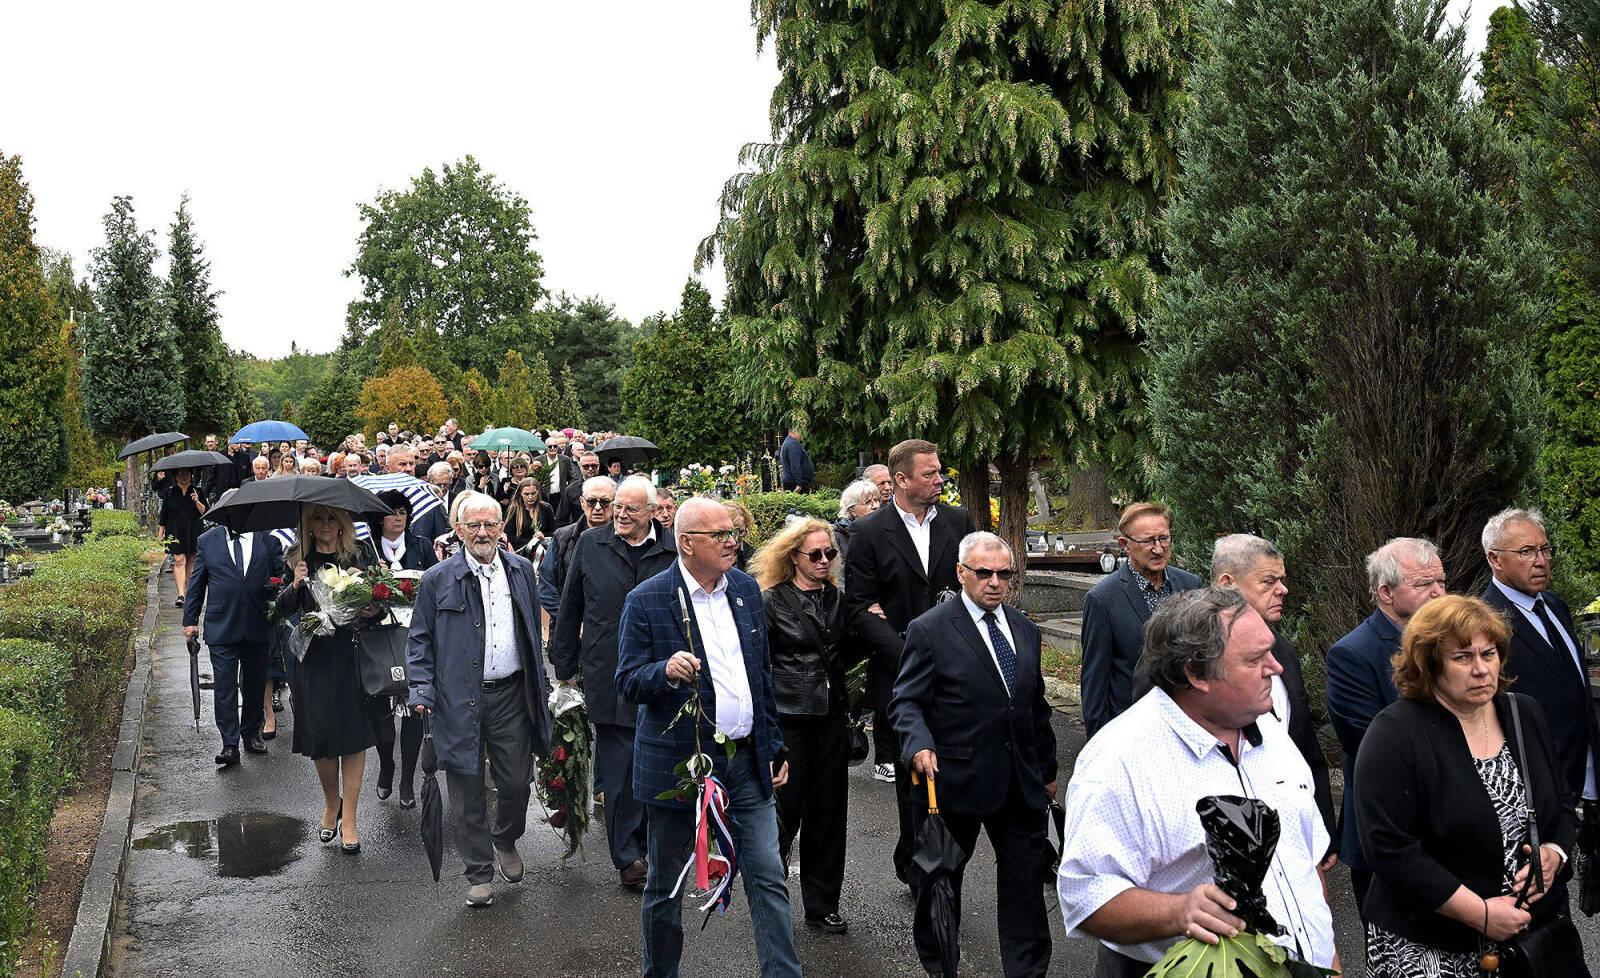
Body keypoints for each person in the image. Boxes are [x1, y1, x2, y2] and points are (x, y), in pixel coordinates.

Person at [1058, 587, 1339, 977]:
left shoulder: (1273, 734)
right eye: (1255, 658)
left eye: (1271, 652)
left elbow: (1304, 863)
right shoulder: (1120, 760)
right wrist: (1177, 912)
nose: (1276, 668)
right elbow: (1084, 895)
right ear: (1196, 672)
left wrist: (1329, 960)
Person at [616, 497, 799, 978]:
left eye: (731, 532)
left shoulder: (745, 588)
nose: (731, 541)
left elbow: (760, 676)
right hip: (682, 768)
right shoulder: (647, 599)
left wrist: (774, 744)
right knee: (666, 886)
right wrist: (663, 670)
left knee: (769, 876)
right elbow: (627, 681)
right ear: (686, 543)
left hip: (746, 762)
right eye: (718, 535)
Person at [1356, 595, 1586, 977]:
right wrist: (1480, 914)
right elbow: (1389, 848)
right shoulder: (1394, 733)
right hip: (1430, 947)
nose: (1481, 669)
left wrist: (1554, 852)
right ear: (1429, 665)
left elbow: (1562, 801)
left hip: (1527, 944)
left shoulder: (1524, 712)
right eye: (1462, 657)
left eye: (1489, 654)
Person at [893, 531, 1056, 975]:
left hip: (1019, 784)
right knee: (941, 883)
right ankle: (940, 966)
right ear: (961, 573)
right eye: (984, 573)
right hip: (954, 781)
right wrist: (918, 743)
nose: (995, 582)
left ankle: (1027, 971)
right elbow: (906, 701)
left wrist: (1047, 769)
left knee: (1025, 891)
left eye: (1004, 574)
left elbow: (1034, 706)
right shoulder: (930, 629)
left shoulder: (1025, 628)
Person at [406, 492, 554, 907]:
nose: (483, 532)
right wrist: (421, 689)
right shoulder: (437, 579)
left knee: (516, 782)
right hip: (457, 699)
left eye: (490, 524)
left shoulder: (521, 570)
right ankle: (478, 872)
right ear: (459, 530)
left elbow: (531, 630)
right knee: (466, 790)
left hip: (512, 694)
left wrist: (543, 683)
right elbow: (419, 640)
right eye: (474, 525)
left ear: (501, 528)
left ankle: (505, 837)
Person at [841, 438, 975, 883]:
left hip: (957, 672)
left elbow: (971, 589)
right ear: (901, 480)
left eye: (939, 471)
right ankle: (921, 868)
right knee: (911, 777)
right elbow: (859, 609)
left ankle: (934, 857)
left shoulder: (958, 521)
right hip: (899, 673)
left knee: (953, 769)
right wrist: (912, 653)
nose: (940, 479)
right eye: (929, 473)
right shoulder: (868, 533)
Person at [550, 476, 676, 887]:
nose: (619, 514)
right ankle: (628, 857)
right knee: (619, 773)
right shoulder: (592, 544)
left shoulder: (673, 548)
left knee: (659, 767)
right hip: (609, 672)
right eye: (617, 506)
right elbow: (571, 605)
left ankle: (653, 846)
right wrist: (564, 667)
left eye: (630, 509)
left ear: (653, 512)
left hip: (662, 674)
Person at [1326, 536, 1447, 911]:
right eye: (1423, 584)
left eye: (1441, 581)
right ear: (1386, 592)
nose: (1439, 592)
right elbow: (1372, 750)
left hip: (1453, 834)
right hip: (1391, 836)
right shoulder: (1352, 654)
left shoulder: (1454, 643)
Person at [752, 518, 856, 934]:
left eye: (830, 553)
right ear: (793, 556)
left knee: (828, 815)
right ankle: (769, 896)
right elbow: (758, 665)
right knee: (784, 812)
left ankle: (822, 904)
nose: (824, 560)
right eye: (815, 554)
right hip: (788, 720)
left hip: (830, 719)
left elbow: (852, 650)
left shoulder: (839, 600)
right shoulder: (771, 601)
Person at [1206, 534, 1336, 843]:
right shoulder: (1188, 657)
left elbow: (1303, 740)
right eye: (1268, 581)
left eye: (1282, 580)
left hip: (1293, 831)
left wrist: (1324, 826)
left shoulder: (1284, 651)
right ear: (1227, 584)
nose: (1283, 590)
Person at [1478, 507, 1600, 834]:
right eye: (1526, 552)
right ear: (1495, 558)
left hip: (1586, 780)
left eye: (1545, 549)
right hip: (1538, 795)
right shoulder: (1485, 621)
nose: (1541, 560)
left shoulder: (1555, 606)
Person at [275, 505, 382, 853]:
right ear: (308, 523)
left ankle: (349, 819)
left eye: (331, 518)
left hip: (353, 653)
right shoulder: (296, 558)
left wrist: (371, 606)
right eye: (318, 518)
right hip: (313, 657)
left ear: (342, 523)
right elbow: (280, 608)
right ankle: (331, 802)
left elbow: (379, 602)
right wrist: (295, 584)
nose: (325, 524)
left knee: (353, 735)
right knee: (319, 734)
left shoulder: (359, 554)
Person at [1079, 502, 1203, 739]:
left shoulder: (1191, 585)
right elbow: (1095, 682)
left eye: (1163, 538)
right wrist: (1101, 743)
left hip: (1189, 727)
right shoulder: (1102, 599)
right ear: (1125, 545)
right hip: (1133, 732)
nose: (1158, 549)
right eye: (1148, 541)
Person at [183, 524, 285, 766]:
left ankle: (251, 734)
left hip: (258, 624)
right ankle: (229, 744)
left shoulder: (268, 540)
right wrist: (190, 621)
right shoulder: (207, 541)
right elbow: (197, 584)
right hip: (222, 625)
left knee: (254, 684)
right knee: (224, 685)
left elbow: (281, 578)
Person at [366, 490, 437, 807]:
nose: (398, 518)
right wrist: (372, 581)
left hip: (415, 638)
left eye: (403, 512)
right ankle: (387, 764)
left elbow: (437, 583)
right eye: (391, 512)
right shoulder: (366, 549)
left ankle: (408, 778)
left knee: (414, 708)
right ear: (379, 518)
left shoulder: (421, 545)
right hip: (378, 639)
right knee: (380, 709)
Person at [539, 476, 616, 631]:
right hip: (568, 632)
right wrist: (569, 620)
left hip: (610, 630)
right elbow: (546, 585)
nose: (598, 507)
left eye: (605, 502)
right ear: (582, 503)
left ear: (614, 504)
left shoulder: (624, 538)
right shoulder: (563, 537)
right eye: (591, 501)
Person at [159, 468, 207, 607]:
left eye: (186, 473)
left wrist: (197, 501)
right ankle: (181, 594)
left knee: (191, 560)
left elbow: (205, 512)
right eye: (180, 474)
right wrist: (161, 533)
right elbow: (164, 514)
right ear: (175, 476)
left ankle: (189, 591)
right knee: (179, 559)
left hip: (194, 529)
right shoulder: (170, 492)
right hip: (175, 530)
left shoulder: (198, 491)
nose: (184, 476)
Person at [832, 479, 881, 564]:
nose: (875, 506)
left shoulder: (886, 529)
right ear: (852, 511)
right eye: (868, 502)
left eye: (876, 500)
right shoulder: (836, 537)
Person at [504, 478, 553, 557]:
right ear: (520, 493)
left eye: (533, 493)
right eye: (526, 494)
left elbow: (554, 531)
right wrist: (532, 541)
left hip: (544, 552)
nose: (530, 497)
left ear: (538, 492)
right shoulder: (513, 510)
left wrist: (543, 535)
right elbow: (509, 536)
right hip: (520, 554)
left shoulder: (546, 508)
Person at [554, 452, 603, 528]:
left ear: (598, 466)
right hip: (579, 532)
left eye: (594, 466)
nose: (590, 469)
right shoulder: (570, 490)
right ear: (580, 466)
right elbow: (561, 520)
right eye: (586, 466)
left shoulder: (608, 487)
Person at [724, 500, 756, 572]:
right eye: (731, 532)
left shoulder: (753, 557)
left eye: (740, 532)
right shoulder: (709, 554)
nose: (734, 539)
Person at [779, 427, 814, 493]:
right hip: (794, 484)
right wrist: (799, 484)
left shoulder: (788, 442)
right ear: (794, 431)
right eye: (801, 432)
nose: (802, 435)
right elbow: (795, 465)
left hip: (791, 481)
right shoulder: (793, 444)